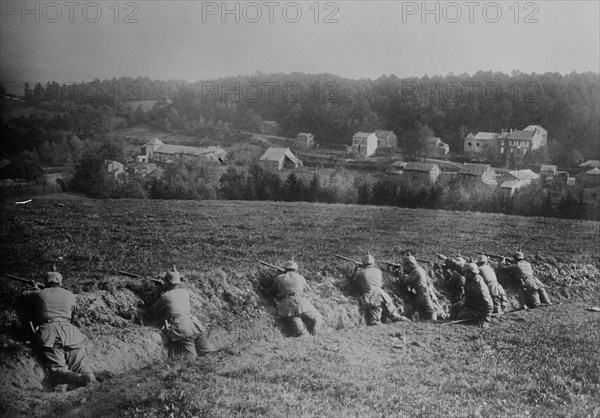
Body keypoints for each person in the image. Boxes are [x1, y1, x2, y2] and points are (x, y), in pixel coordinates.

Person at [25, 267, 96, 388]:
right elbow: (72, 314)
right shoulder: (70, 295)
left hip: (49, 333)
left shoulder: (39, 294)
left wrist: (34, 287)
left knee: (58, 370)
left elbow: (25, 295)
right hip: (70, 332)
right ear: (60, 282)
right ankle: (88, 376)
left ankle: (80, 380)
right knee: (81, 365)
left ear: (46, 282)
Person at [147, 266, 215, 359]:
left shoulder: (166, 296)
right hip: (195, 326)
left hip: (183, 329)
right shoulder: (185, 292)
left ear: (166, 282)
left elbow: (152, 311)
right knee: (210, 354)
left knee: (191, 359)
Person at [351, 255, 408, 325]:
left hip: (371, 296)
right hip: (382, 295)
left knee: (374, 321)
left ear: (363, 263)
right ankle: (406, 320)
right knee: (394, 316)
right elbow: (381, 283)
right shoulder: (378, 271)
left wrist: (356, 270)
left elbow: (353, 282)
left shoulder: (361, 273)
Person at [271, 260, 323, 337]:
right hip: (299, 301)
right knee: (318, 316)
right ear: (296, 269)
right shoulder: (300, 277)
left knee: (294, 318)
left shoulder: (279, 277)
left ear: (285, 269)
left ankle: (304, 335)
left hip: (285, 304)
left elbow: (273, 290)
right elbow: (306, 290)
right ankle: (315, 335)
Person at [393, 255, 440, 320]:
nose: (405, 267)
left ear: (410, 264)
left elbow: (404, 282)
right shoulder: (419, 269)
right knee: (423, 312)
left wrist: (400, 273)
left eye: (405, 265)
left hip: (422, 293)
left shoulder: (416, 271)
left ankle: (433, 324)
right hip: (420, 293)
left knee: (430, 311)